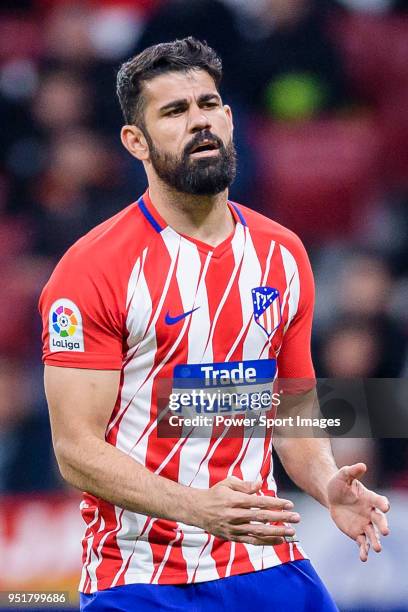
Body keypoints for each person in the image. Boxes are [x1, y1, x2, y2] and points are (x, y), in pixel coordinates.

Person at [39, 37, 390, 611]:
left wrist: (325, 482)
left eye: (208, 105)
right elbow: (74, 448)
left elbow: (289, 406)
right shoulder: (92, 268)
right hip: (140, 577)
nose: (198, 122)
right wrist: (195, 508)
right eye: (174, 112)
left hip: (267, 562)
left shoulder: (282, 253)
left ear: (229, 118)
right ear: (136, 141)